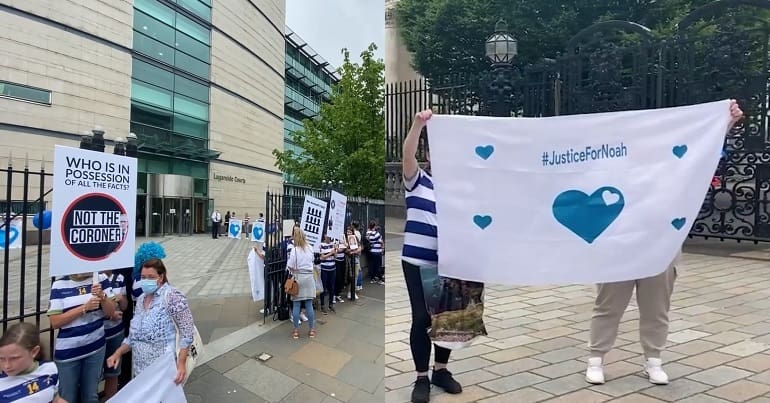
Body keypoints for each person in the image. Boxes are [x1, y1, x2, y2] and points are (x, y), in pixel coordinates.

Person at [585, 99, 744, 386]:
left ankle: (653, 360)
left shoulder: (673, 164)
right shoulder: (608, 164)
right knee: (608, 305)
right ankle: (596, 358)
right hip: (618, 246)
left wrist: (725, 124)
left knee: (656, 307)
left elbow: (703, 157)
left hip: (661, 245)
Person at [401, 109, 462, 403]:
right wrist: (418, 125)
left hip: (449, 261)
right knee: (422, 317)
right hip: (417, 261)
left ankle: (441, 370)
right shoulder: (417, 180)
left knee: (447, 318)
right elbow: (407, 154)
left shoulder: (460, 189)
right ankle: (421, 377)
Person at [106, 245, 195, 384]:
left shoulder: (172, 296)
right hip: (141, 372)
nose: (146, 280)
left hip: (165, 371)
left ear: (161, 277)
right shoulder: (141, 300)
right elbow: (133, 337)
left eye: (151, 277)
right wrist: (118, 353)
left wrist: (181, 363)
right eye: (143, 277)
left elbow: (187, 332)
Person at [47, 272, 116, 403]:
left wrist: (103, 297)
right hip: (69, 352)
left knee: (91, 395)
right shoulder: (59, 285)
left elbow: (110, 312)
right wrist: (84, 308)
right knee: (67, 396)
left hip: (95, 348)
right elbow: (55, 322)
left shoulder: (101, 279)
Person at [0, 322, 66, 403]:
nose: (6, 366)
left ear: (34, 352)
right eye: (1, 359)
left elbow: (56, 399)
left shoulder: (50, 369)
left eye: (14, 358)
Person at [287, 227, 316, 339]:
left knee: (296, 304)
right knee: (309, 304)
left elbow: (290, 265)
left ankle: (295, 331)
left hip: (298, 277)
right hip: (309, 277)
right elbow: (312, 261)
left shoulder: (294, 250)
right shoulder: (310, 248)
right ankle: (311, 330)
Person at [102, 270, 127, 400]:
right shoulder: (95, 280)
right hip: (97, 334)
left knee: (113, 373)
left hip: (116, 332)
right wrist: (110, 314)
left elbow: (124, 306)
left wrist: (121, 298)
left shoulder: (119, 278)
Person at [318, 234, 337, 314]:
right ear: (324, 236)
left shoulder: (333, 244)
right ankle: (322, 305)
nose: (328, 237)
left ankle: (331, 304)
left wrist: (335, 251)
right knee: (323, 287)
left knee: (332, 287)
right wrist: (331, 253)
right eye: (327, 236)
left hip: (332, 268)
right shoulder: (321, 245)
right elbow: (322, 257)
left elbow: (335, 257)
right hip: (324, 268)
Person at [366, 220, 385, 284]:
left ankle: (372, 278)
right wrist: (382, 247)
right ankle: (380, 279)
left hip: (371, 251)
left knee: (372, 265)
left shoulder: (368, 233)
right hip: (377, 251)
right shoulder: (376, 234)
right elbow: (381, 241)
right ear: (374, 226)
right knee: (378, 265)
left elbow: (369, 240)